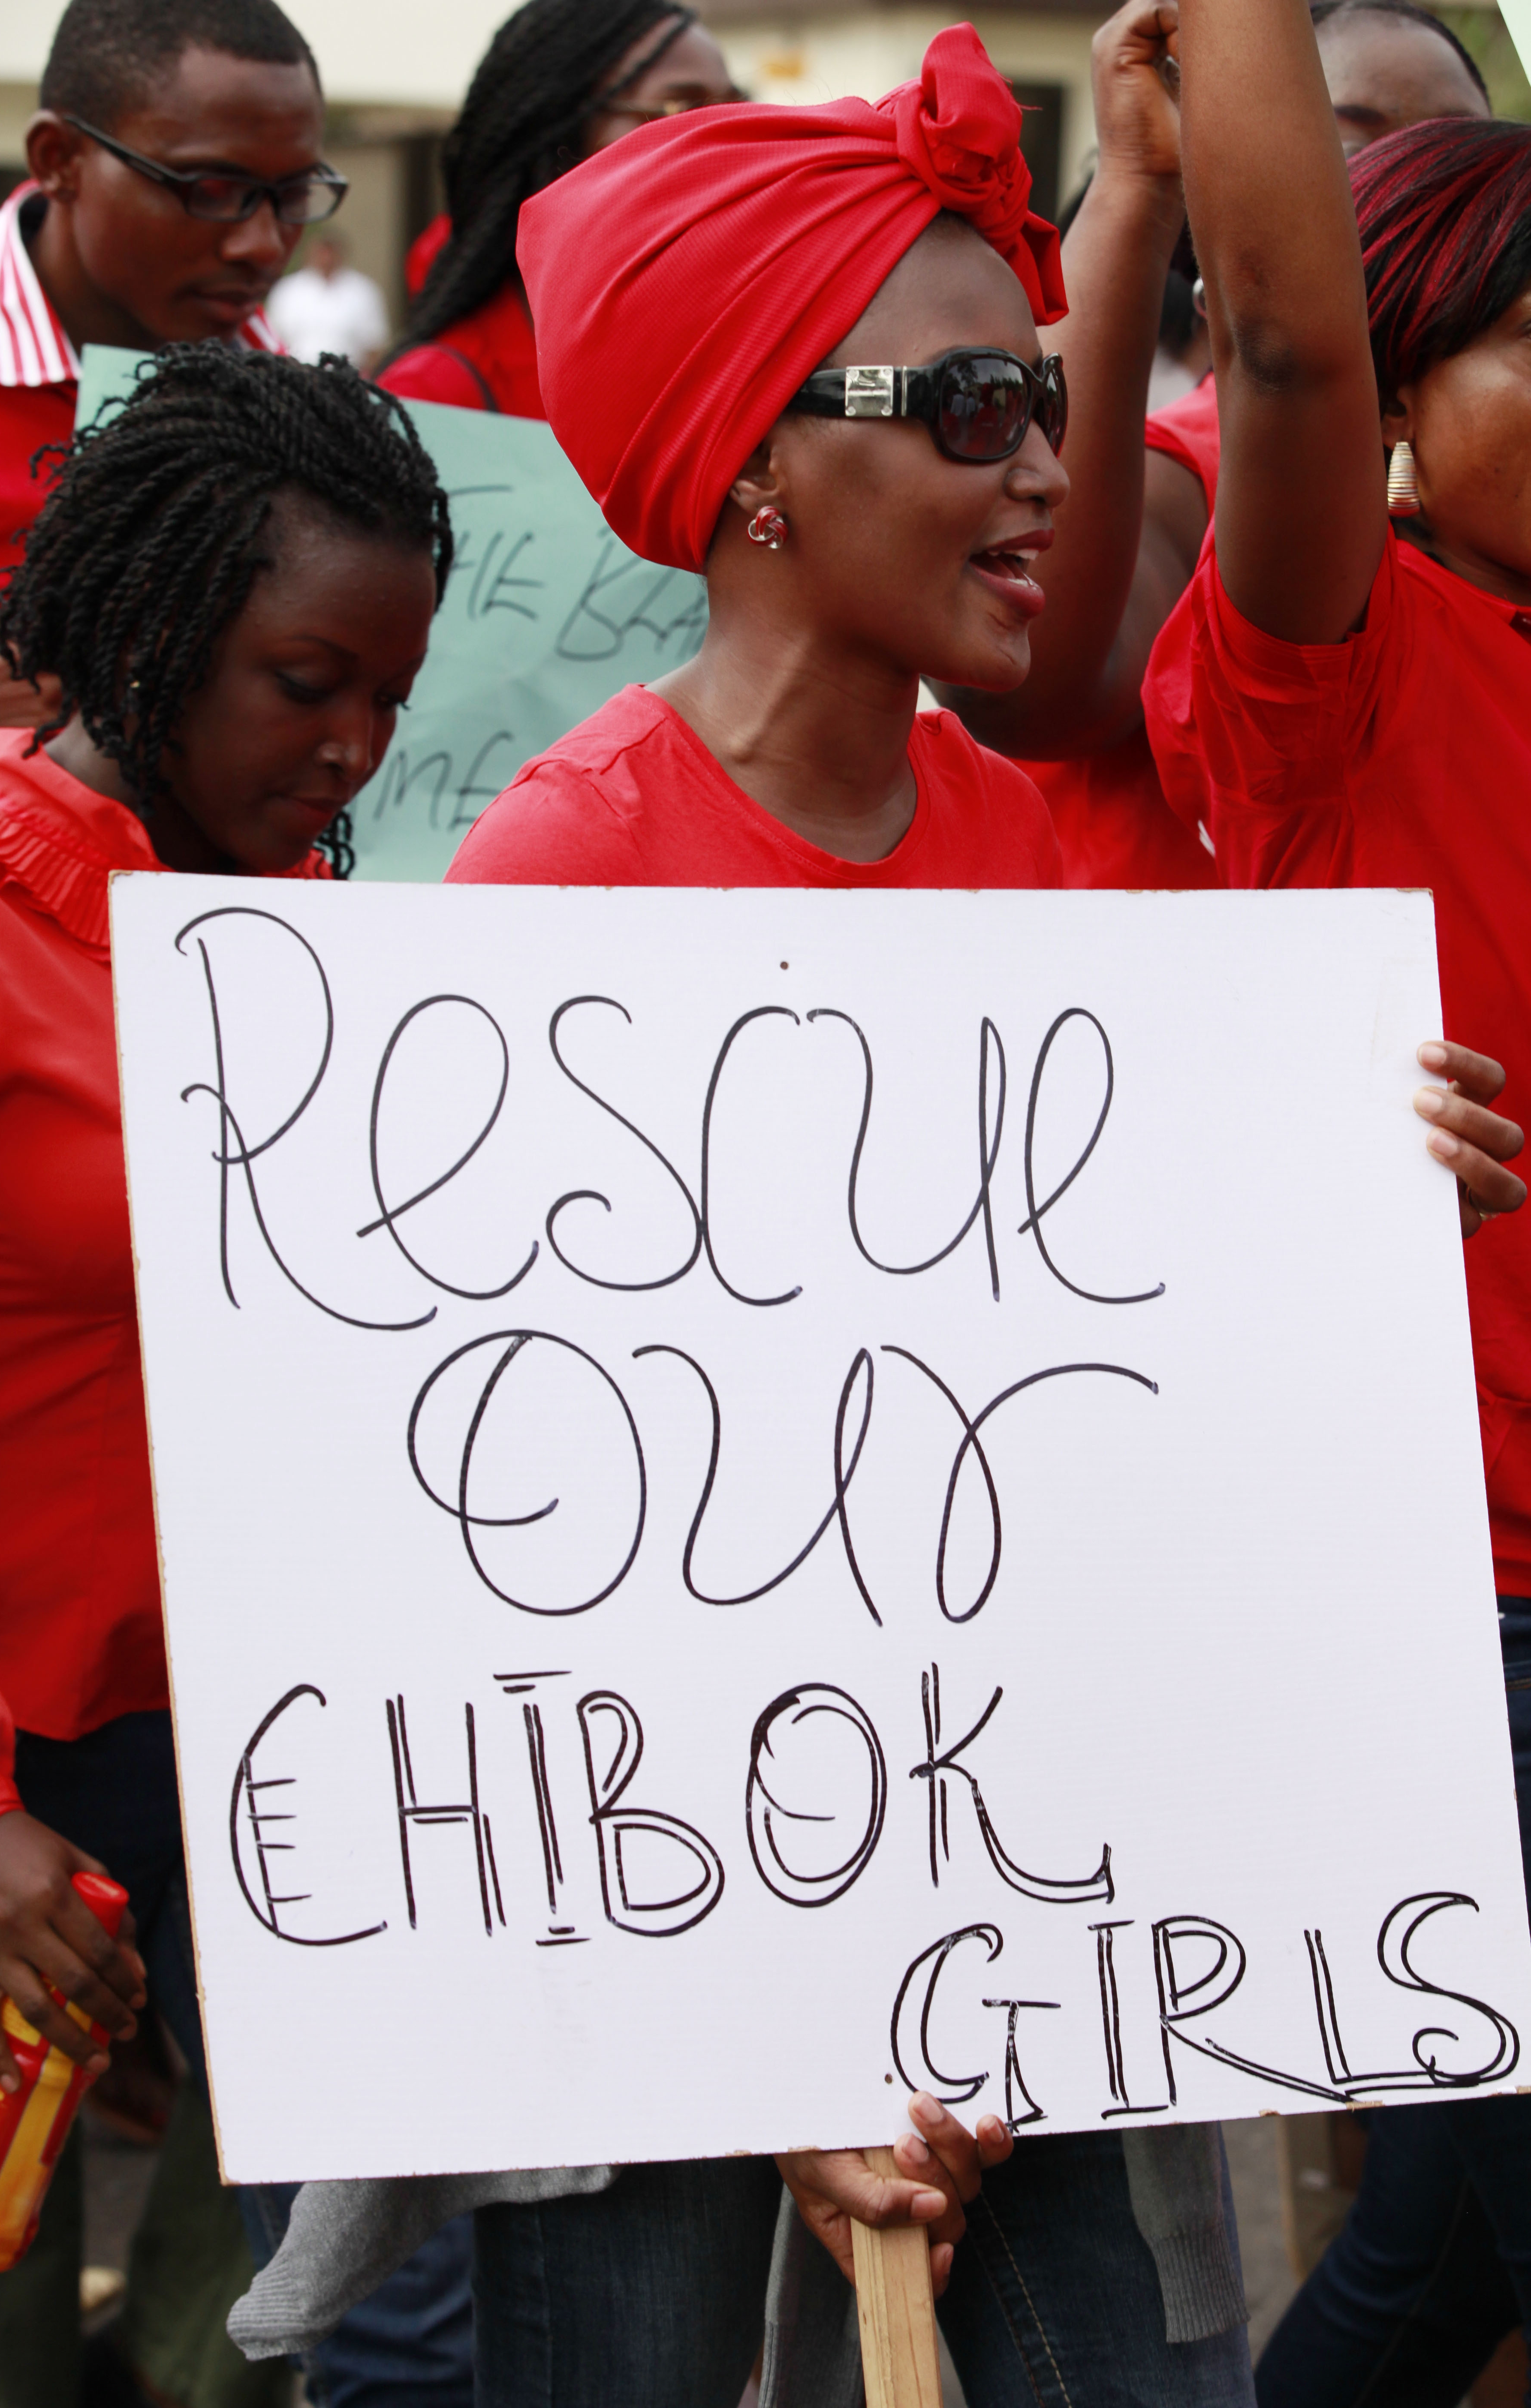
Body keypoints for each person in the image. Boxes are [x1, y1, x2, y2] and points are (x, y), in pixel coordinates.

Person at [227, 27, 1525, 2402]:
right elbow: (484, 1563)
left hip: (1035, 1972)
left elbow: (1116, 1418)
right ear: (746, 477)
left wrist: (1340, 1229)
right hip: (638, 1985)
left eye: (1038, 402)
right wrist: (776, 2033)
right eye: (963, 413)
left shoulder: (1048, 852)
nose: (1045, 466)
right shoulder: (560, 878)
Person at [0, 346, 449, 2400]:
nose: (356, 744)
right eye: (303, 683)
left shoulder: (330, 947)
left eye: (389, 695)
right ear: (143, 635)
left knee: (242, 2348)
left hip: (263, 1781)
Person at [1141, 0, 1531, 2386]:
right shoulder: (1337, 661)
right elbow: (1271, 328)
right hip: (1441, 1593)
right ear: (1385, 421)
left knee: (1446, 2248)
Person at [941, 0, 1492, 893]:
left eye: (1461, 151)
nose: (1422, 182)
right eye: (1351, 143)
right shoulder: (1190, 467)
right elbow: (1030, 695)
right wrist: (1141, 177)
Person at [0, 0, 344, 807]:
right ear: (59, 159)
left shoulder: (295, 405)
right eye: (210, 189)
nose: (260, 243)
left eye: (293, 195)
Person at [378, 0, 739, 416]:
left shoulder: (728, 351)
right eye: (681, 109)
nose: (726, 134)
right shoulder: (432, 397)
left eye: (737, 105)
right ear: (560, 133)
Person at [267, 231, 389, 370]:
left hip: (346, 377)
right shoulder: (287, 290)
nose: (326, 259)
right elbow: (273, 341)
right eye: (322, 253)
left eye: (331, 253)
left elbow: (374, 345)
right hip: (298, 375)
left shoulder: (363, 291)